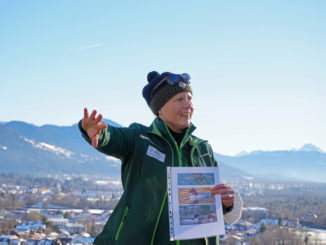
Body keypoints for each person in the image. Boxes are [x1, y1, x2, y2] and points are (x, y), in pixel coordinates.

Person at [78, 71, 242, 245]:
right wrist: (97, 133)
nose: (188, 106)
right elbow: (113, 138)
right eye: (180, 100)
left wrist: (226, 203)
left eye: (190, 99)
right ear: (161, 109)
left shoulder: (202, 149)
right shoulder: (140, 139)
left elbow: (213, 203)